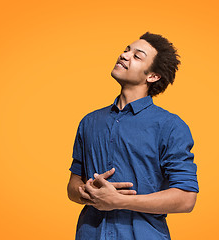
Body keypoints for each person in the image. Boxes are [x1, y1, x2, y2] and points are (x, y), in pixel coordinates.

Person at [67, 32, 199, 240]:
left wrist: (120, 201)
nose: (124, 55)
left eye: (137, 56)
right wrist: (84, 192)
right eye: (126, 50)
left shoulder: (170, 126)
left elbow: (186, 198)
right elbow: (73, 184)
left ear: (153, 76)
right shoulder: (89, 122)